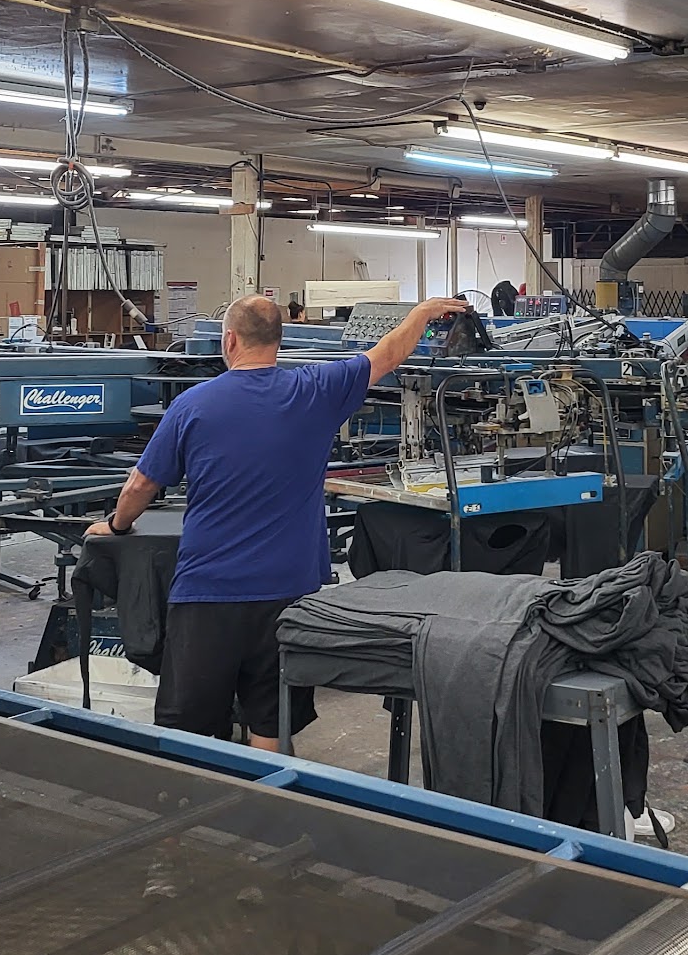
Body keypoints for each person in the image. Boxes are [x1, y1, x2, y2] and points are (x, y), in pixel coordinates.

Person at [88, 293, 470, 747]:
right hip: (290, 591)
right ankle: (264, 789)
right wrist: (422, 314)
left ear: (229, 340)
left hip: (209, 590)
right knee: (270, 720)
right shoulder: (315, 390)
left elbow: (139, 486)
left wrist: (117, 526)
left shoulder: (192, 405)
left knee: (189, 731)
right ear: (279, 340)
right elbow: (387, 354)